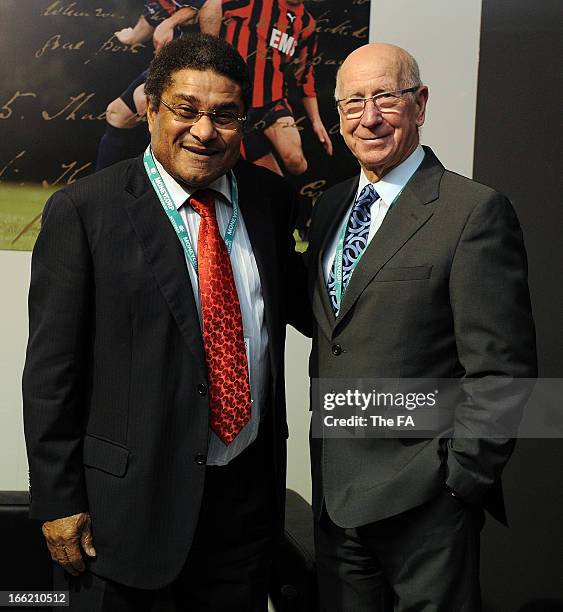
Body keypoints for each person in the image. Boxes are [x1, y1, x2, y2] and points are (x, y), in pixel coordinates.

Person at [23, 33, 303, 611]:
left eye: (225, 115)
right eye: (186, 110)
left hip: (244, 520)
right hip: (123, 520)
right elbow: (52, 372)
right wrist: (57, 500)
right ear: (151, 107)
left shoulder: (270, 201)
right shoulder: (84, 212)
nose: (205, 131)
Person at [305, 42, 537, 610]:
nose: (370, 117)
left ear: (420, 103)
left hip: (426, 505)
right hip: (336, 503)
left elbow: (504, 371)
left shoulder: (472, 212)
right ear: (337, 116)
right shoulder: (330, 207)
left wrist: (459, 482)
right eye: (353, 102)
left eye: (386, 96)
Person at [199, 0, 333, 176]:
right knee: (268, 178)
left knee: (296, 163)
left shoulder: (306, 24)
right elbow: (210, 6)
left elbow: (305, 75)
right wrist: (210, 58)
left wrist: (316, 121)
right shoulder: (253, 3)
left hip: (273, 100)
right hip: (237, 106)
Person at [95, 1, 204, 170]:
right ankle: (101, 189)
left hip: (200, 61)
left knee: (143, 99)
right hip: (171, 62)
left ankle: (167, 182)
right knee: (117, 113)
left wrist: (170, 22)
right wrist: (130, 36)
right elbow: (147, 23)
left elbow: (198, 8)